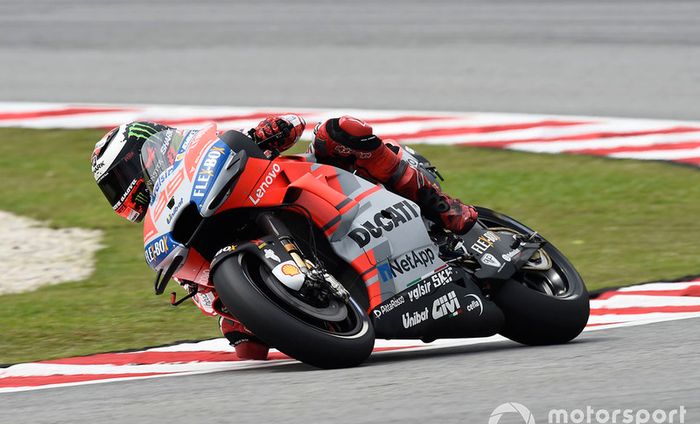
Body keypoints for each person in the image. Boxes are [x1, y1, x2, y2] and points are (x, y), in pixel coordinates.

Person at [91, 114, 478, 360]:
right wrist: (237, 313)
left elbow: (291, 125)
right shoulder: (177, 238)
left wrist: (268, 133)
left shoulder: (204, 156)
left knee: (341, 132)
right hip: (311, 276)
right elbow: (245, 342)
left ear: (147, 152)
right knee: (246, 350)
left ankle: (448, 209)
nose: (125, 191)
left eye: (123, 178)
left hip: (319, 186)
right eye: (115, 189)